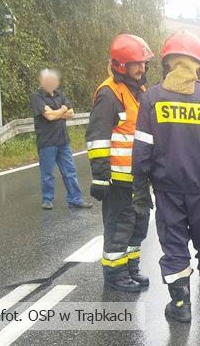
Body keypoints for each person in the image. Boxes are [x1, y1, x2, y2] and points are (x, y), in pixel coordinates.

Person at [132, 30, 200, 323]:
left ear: (167, 63)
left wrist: (139, 189)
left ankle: (180, 307)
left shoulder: (151, 98)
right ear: (199, 66)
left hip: (167, 192)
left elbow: (142, 149)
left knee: (175, 247)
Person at [85, 34, 154, 292]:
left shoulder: (140, 91)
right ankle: (115, 274)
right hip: (117, 179)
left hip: (138, 178)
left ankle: (130, 267)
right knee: (119, 227)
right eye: (137, 63)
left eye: (144, 63)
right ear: (121, 65)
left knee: (138, 224)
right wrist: (100, 177)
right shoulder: (109, 94)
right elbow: (97, 138)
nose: (142, 68)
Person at [29, 69, 93, 210]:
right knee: (47, 174)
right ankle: (47, 200)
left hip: (63, 141)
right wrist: (62, 109)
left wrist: (55, 111)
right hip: (46, 142)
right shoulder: (37, 97)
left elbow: (71, 113)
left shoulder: (60, 94)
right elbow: (49, 116)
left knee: (70, 171)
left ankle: (75, 199)